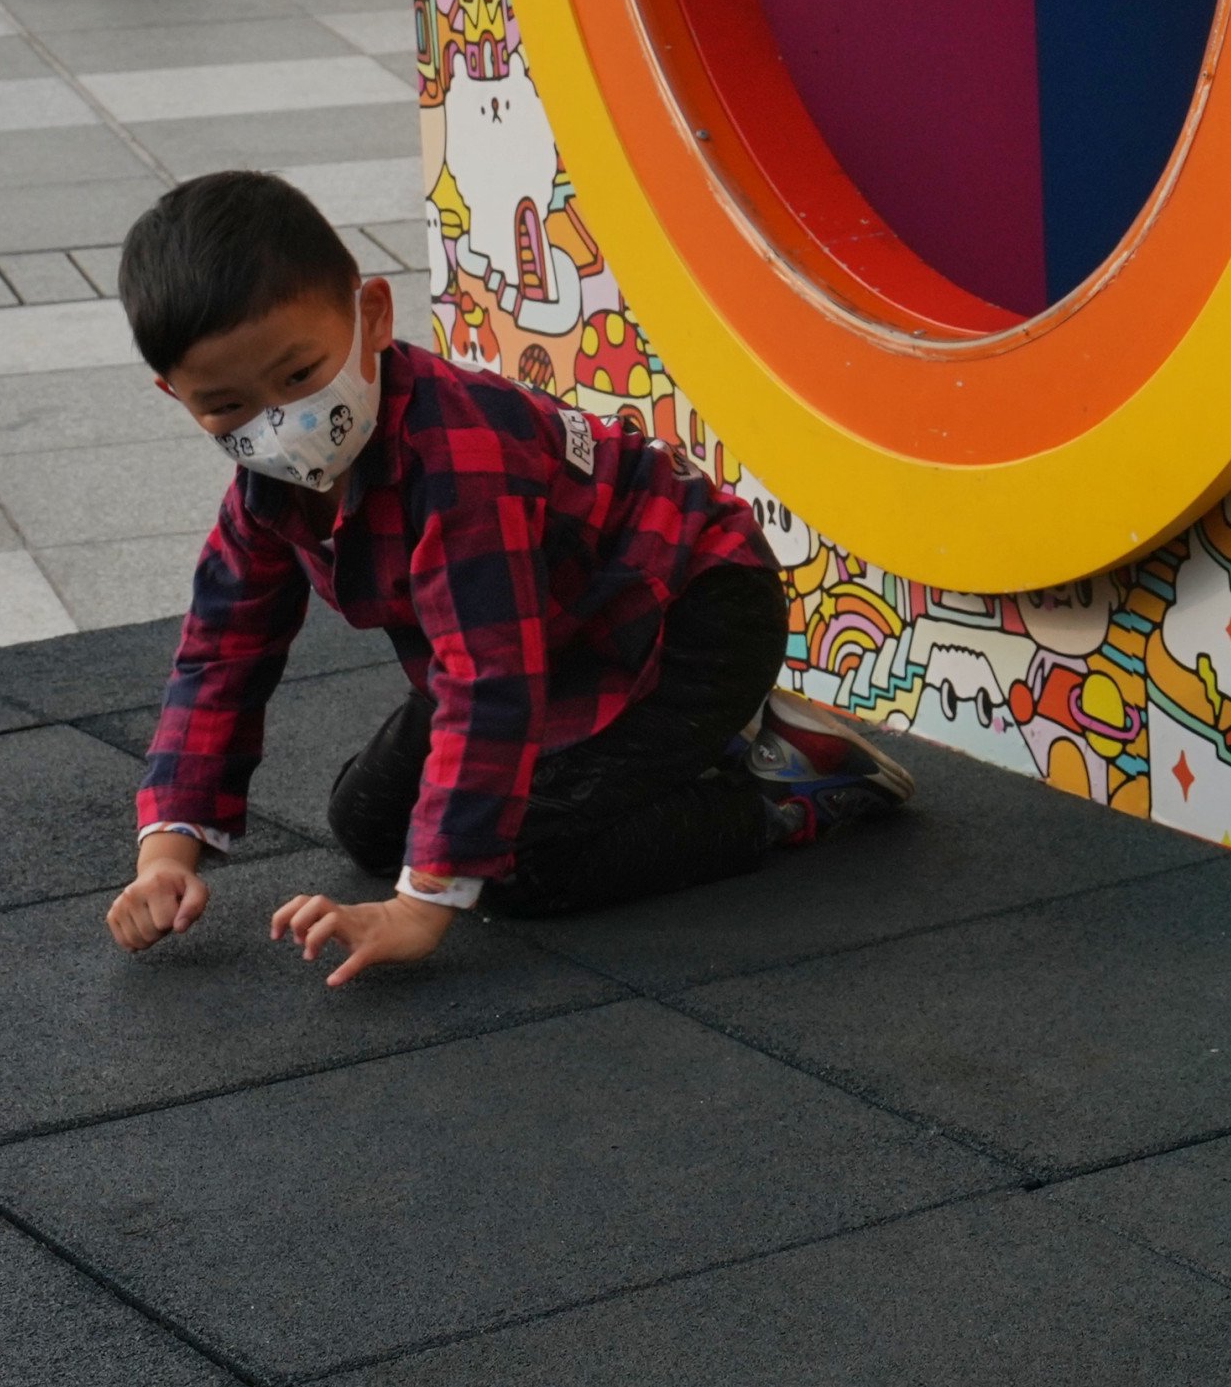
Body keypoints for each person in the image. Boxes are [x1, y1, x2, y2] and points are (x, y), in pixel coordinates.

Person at [100, 171, 913, 984]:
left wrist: (420, 907)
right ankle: (696, 749)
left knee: (516, 864)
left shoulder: (461, 459)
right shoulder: (268, 492)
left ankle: (777, 791)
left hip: (691, 615)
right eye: (226, 406)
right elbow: (220, 657)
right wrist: (167, 852)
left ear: (372, 316)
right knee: (368, 824)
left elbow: (490, 682)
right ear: (176, 395)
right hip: (544, 635)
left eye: (299, 374)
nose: (276, 422)